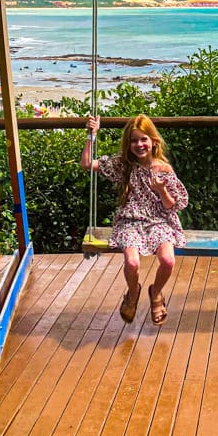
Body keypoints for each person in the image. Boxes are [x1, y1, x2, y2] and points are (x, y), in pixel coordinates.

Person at [81, 114, 188, 325]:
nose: (139, 144)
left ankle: (156, 293)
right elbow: (86, 164)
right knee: (132, 262)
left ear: (153, 141)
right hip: (129, 222)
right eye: (133, 140)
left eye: (143, 139)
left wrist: (162, 191)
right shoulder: (124, 165)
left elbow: (176, 205)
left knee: (168, 260)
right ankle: (132, 293)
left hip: (159, 221)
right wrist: (91, 135)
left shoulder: (163, 169)